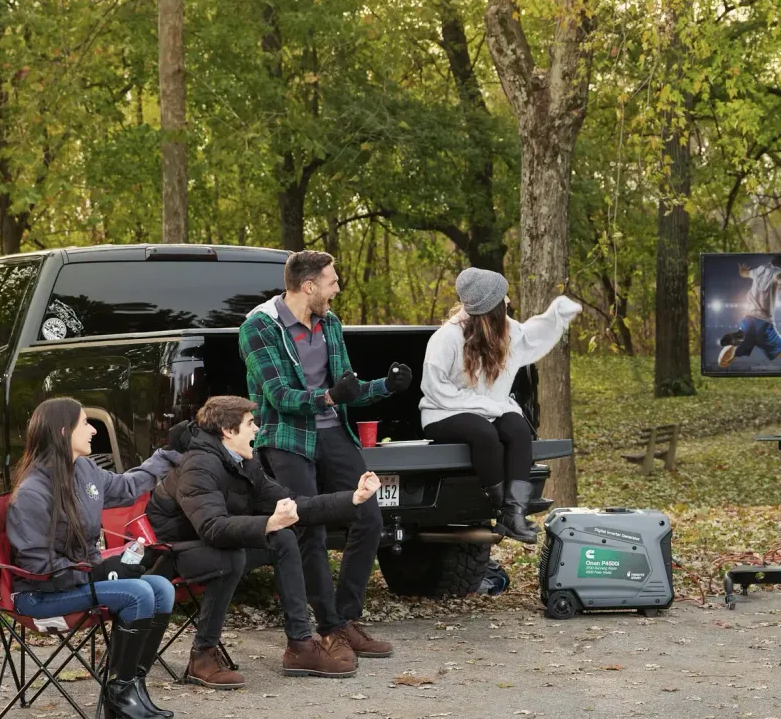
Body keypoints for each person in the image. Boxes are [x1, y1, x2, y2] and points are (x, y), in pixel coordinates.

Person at [241, 249, 413, 661]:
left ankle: (347, 619)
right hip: (287, 436)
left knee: (369, 518)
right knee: (310, 529)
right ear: (309, 286)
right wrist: (330, 397)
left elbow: (344, 388)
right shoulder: (258, 327)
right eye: (332, 282)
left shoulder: (329, 323)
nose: (337, 289)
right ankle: (329, 629)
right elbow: (278, 396)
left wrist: (385, 387)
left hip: (333, 431)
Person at [146, 397, 381, 687]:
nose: (257, 430)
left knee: (283, 538)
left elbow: (294, 503)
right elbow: (211, 527)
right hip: (171, 554)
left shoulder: (244, 463)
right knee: (233, 556)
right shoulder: (199, 465)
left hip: (210, 544)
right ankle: (202, 656)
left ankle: (300, 646)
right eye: (250, 424)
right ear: (228, 431)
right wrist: (268, 523)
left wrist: (353, 498)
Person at [5, 397, 184, 719]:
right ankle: (120, 692)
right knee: (137, 593)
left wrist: (169, 453)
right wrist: (98, 572)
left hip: (78, 580)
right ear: (63, 432)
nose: (93, 430)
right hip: (41, 594)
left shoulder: (84, 470)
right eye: (85, 423)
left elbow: (128, 486)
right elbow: (38, 565)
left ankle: (130, 685)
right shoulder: (32, 492)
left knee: (161, 587)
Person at [419, 268, 580, 544]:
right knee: (483, 432)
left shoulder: (507, 330)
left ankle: (514, 514)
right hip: (442, 411)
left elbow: (533, 336)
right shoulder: (446, 338)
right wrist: (485, 406)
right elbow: (435, 389)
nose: (507, 302)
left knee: (518, 428)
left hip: (489, 410)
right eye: (502, 298)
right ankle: (499, 507)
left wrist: (557, 315)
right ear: (490, 308)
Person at [716, 255, 781, 373]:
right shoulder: (779, 272)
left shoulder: (760, 269)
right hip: (764, 325)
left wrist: (742, 270)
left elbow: (744, 273)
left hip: (748, 320)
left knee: (723, 363)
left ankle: (734, 343)